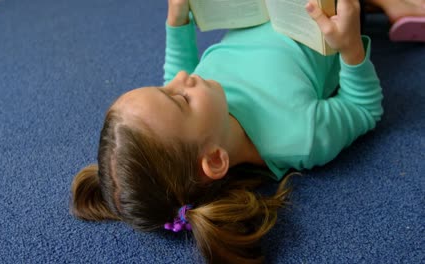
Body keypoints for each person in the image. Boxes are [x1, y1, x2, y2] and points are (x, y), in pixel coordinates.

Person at [70, 0, 384, 263]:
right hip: (326, 16)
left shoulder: (203, 101)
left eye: (163, 87)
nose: (182, 77)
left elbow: (175, 73)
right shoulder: (298, 137)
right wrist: (351, 48)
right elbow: (363, 108)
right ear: (216, 160)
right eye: (179, 98)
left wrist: (176, 21)